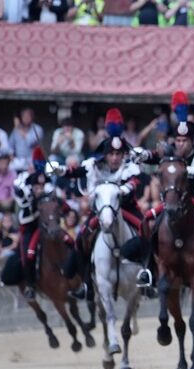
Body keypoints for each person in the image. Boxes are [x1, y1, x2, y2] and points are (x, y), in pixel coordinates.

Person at [51, 108, 144, 299]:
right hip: (103, 212)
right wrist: (58, 170)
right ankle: (86, 282)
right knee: (81, 238)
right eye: (112, 154)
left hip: (127, 210)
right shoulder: (94, 165)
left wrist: (122, 190)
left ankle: (149, 276)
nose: (115, 157)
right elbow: (74, 171)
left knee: (148, 232)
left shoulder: (130, 166)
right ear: (106, 154)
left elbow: (135, 182)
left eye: (119, 153)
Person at [137, 91, 194, 287]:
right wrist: (140, 155)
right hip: (173, 203)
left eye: (185, 141)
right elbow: (152, 156)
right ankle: (148, 267)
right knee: (147, 222)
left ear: (191, 141)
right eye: (178, 140)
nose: (181, 144)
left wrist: (192, 170)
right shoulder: (169, 154)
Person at [14, 147, 76, 300]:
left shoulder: (48, 180)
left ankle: (79, 276)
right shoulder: (23, 180)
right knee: (28, 254)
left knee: (70, 241)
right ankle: (30, 284)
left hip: (47, 225)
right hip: (30, 226)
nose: (40, 187)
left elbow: (55, 199)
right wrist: (33, 192)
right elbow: (21, 197)